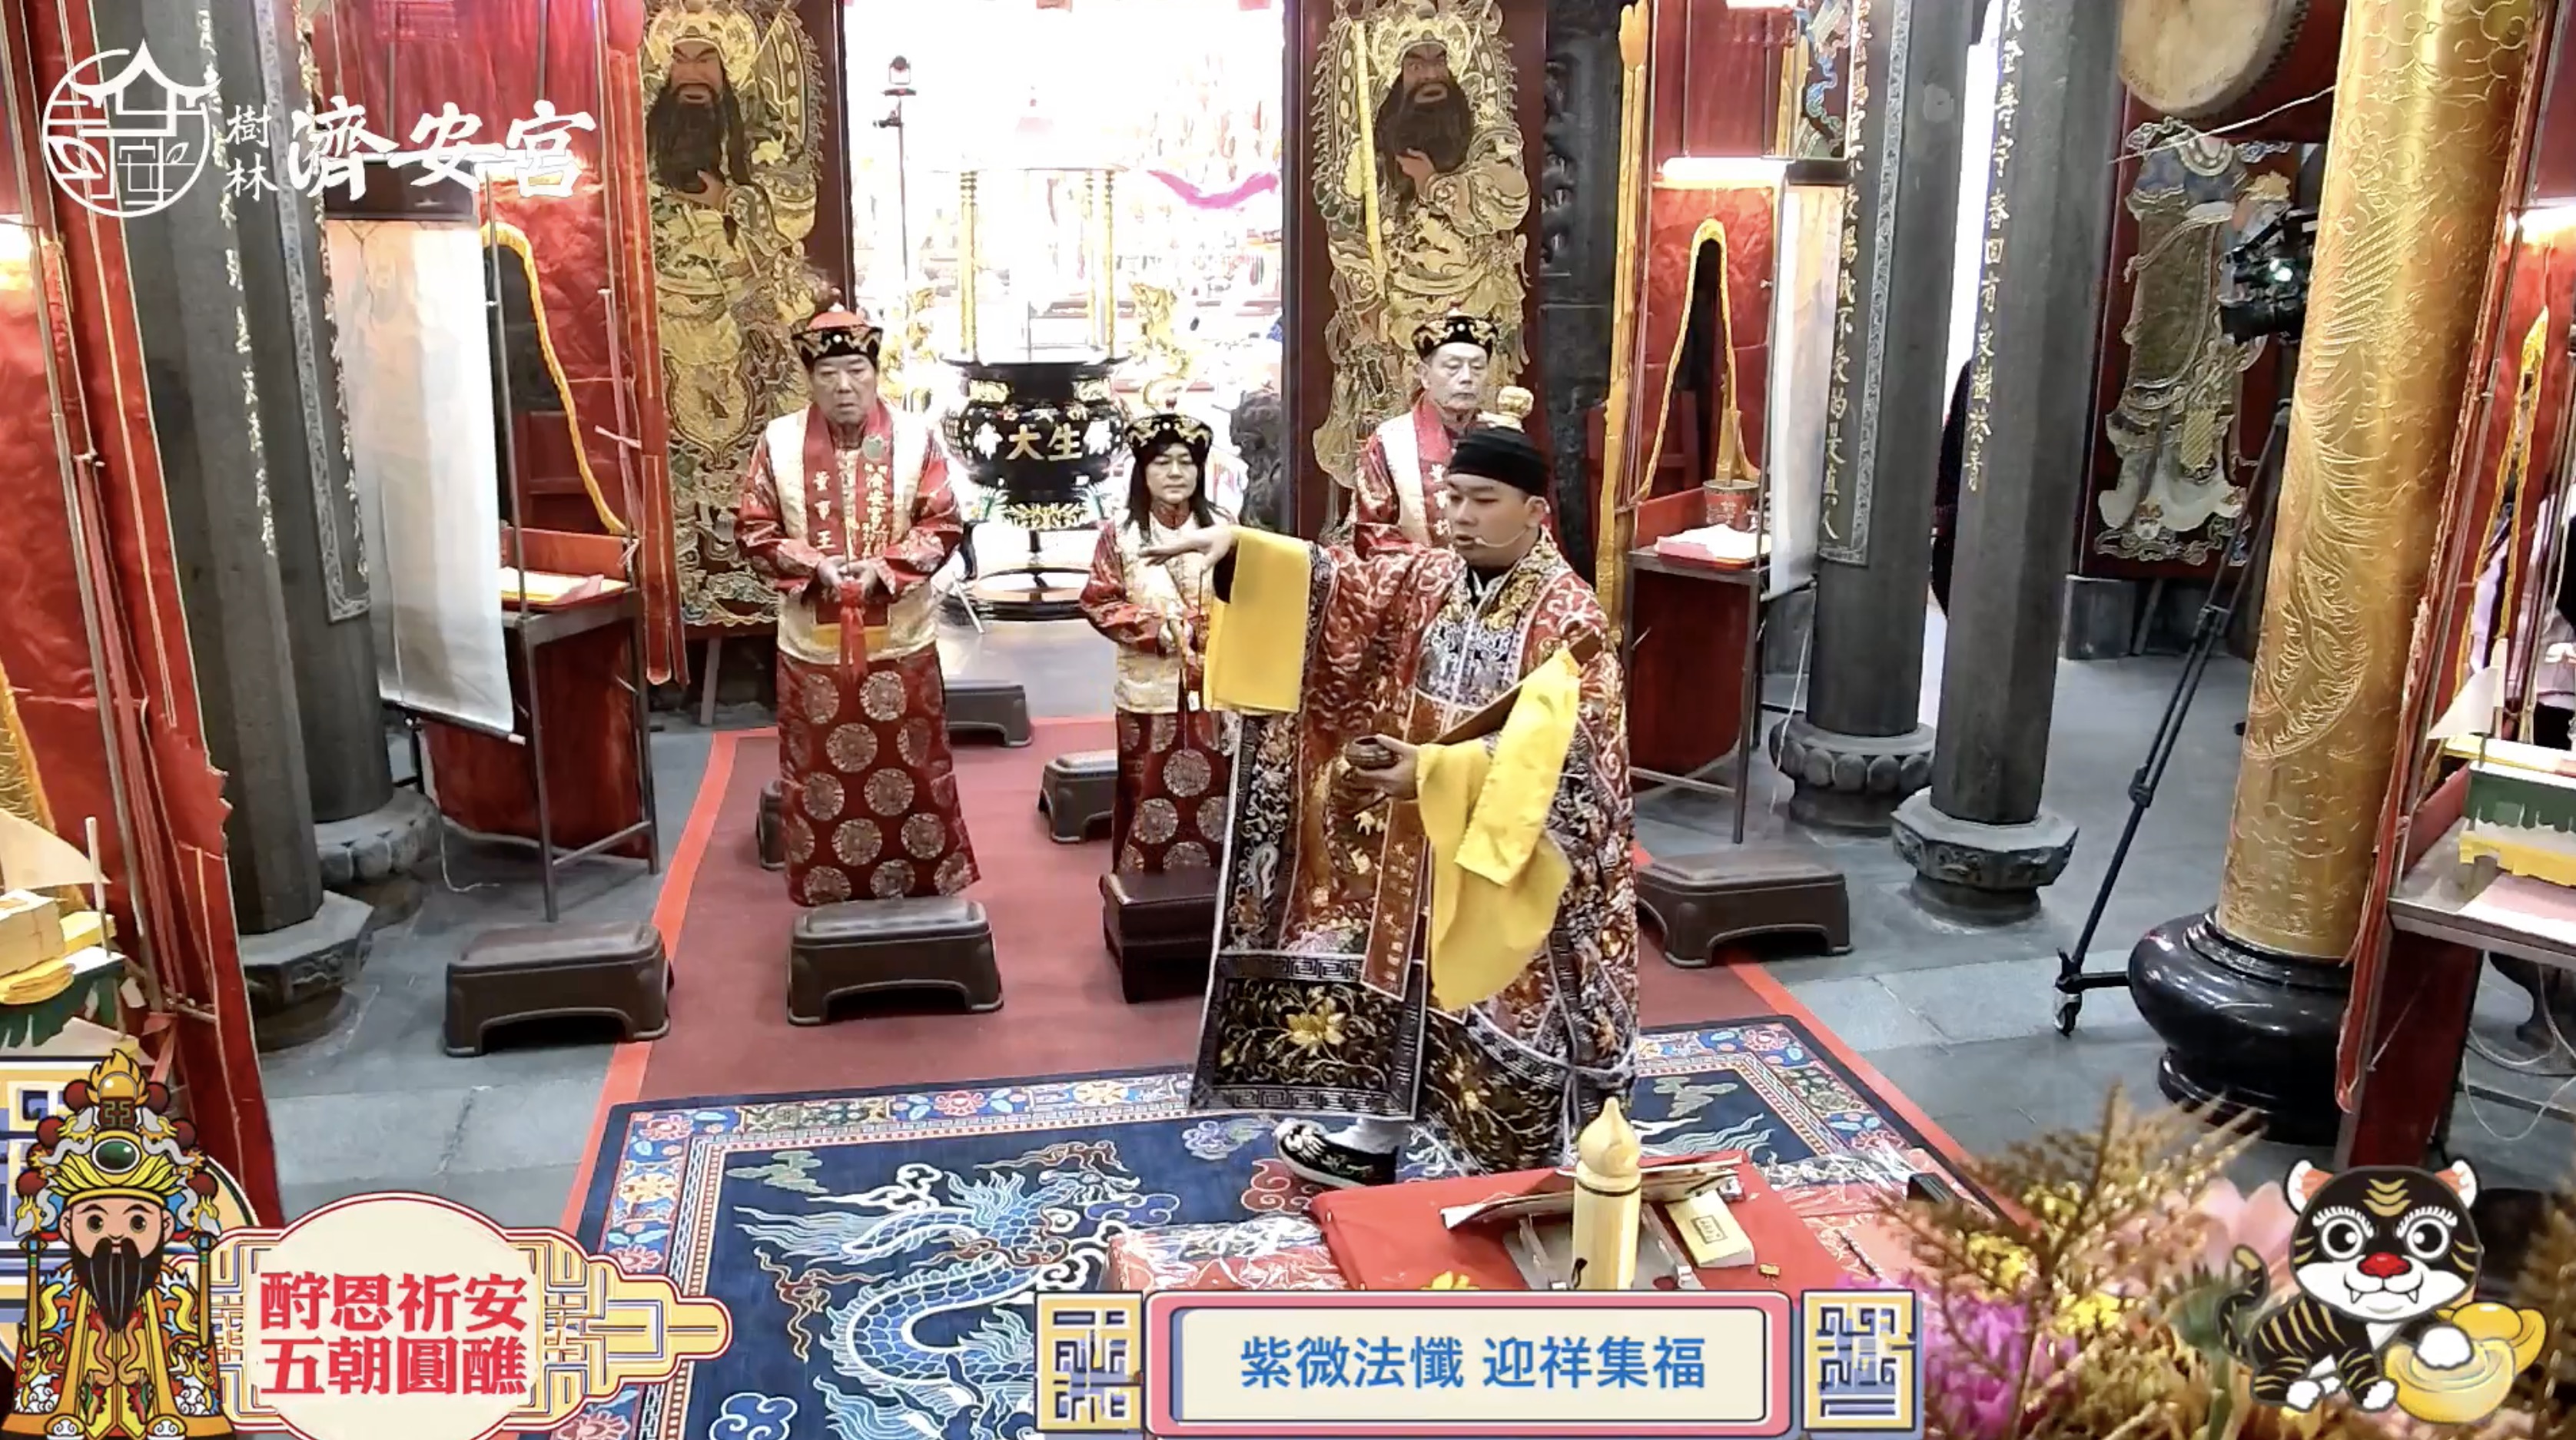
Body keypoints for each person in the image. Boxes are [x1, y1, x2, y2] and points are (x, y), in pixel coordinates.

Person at [1146, 406, 1638, 1186]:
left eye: (1483, 500)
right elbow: (1342, 584)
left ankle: (1522, 1174)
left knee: (1505, 997)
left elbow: (1573, 750)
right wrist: (1242, 549)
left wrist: (1439, 772)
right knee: (1407, 972)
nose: (1461, 515)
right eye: (1454, 498)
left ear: (1535, 511)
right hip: (1420, 833)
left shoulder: (1566, 615)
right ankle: (1376, 1137)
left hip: (1510, 847)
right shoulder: (1433, 577)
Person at [736, 301, 979, 904]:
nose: (843, 386)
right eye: (828, 374)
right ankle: (829, 888)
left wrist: (883, 568)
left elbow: (943, 522)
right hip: (813, 646)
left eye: (856, 371)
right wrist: (813, 564)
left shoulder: (916, 438)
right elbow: (754, 528)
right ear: (810, 380)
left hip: (900, 638)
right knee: (819, 772)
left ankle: (922, 881)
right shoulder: (779, 441)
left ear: (875, 373)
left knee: (913, 764)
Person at [6, 1049, 230, 1438]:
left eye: (137, 1222)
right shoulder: (55, 1298)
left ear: (165, 1225)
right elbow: (36, 1393)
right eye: (94, 1222)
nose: (115, 1236)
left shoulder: (178, 1298)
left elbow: (196, 1388)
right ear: (66, 1225)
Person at [1078, 412, 1237, 874]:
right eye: (1162, 462)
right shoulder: (1120, 533)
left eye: (1186, 462)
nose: (1175, 473)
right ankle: (1141, 886)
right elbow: (1099, 601)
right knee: (1147, 787)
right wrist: (1158, 630)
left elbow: (1248, 593)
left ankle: (1216, 883)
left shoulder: (1225, 526)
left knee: (1219, 788)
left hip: (1218, 684)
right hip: (1150, 687)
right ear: (1143, 471)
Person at [1344, 310, 1499, 556]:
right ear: (1425, 375)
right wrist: (1441, 568)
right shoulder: (1391, 441)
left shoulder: (1504, 437)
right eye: (1453, 367)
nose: (1467, 378)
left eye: (1478, 368)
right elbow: (1371, 537)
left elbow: (1534, 524)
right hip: (1423, 577)